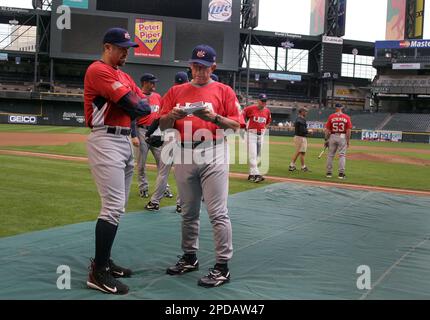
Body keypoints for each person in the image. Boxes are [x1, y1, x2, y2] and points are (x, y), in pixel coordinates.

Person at [159, 44, 243, 287]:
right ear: (190, 65)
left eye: (205, 67)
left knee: (217, 213)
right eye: (196, 65)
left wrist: (214, 118)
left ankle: (222, 266)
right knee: (188, 212)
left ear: (213, 67)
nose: (199, 70)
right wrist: (171, 116)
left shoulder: (224, 90)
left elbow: (237, 126)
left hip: (214, 150)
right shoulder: (176, 91)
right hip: (184, 152)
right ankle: (189, 257)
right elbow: (163, 125)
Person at [84, 27, 151, 295]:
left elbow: (143, 106)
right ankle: (98, 273)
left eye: (128, 48)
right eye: (121, 47)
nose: (126, 52)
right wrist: (132, 103)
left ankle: (105, 261)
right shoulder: (98, 70)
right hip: (106, 140)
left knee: (118, 207)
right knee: (111, 207)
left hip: (124, 140)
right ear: (107, 47)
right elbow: (135, 105)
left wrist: (134, 103)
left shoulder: (123, 75)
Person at [131, 73, 174, 200]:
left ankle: (164, 188)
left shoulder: (157, 97)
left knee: (162, 162)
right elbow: (132, 118)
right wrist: (134, 135)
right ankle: (143, 188)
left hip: (155, 132)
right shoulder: (136, 97)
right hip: (141, 131)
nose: (154, 84)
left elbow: (161, 115)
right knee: (141, 163)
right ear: (144, 83)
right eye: (152, 82)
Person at [242, 93, 272, 183]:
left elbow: (268, 121)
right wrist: (244, 126)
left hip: (261, 135)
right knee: (252, 155)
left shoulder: (267, 111)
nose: (264, 103)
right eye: (262, 101)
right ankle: (257, 174)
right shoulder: (250, 108)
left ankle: (251, 174)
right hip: (251, 134)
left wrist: (264, 128)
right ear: (258, 101)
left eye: (265, 101)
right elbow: (241, 116)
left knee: (256, 156)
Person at [324, 103, 352, 179]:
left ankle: (329, 173)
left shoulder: (331, 116)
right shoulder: (346, 117)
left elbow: (327, 130)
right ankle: (341, 174)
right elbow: (348, 130)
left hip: (333, 136)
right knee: (342, 155)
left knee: (330, 155)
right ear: (341, 108)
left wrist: (326, 139)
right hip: (342, 136)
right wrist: (348, 140)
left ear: (335, 108)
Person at [289, 106, 313, 172]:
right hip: (300, 138)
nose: (306, 113)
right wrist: (309, 131)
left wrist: (307, 131)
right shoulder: (300, 120)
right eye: (305, 111)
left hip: (299, 137)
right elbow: (302, 130)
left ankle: (300, 166)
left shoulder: (299, 119)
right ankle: (294, 166)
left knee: (301, 152)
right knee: (300, 152)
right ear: (301, 112)